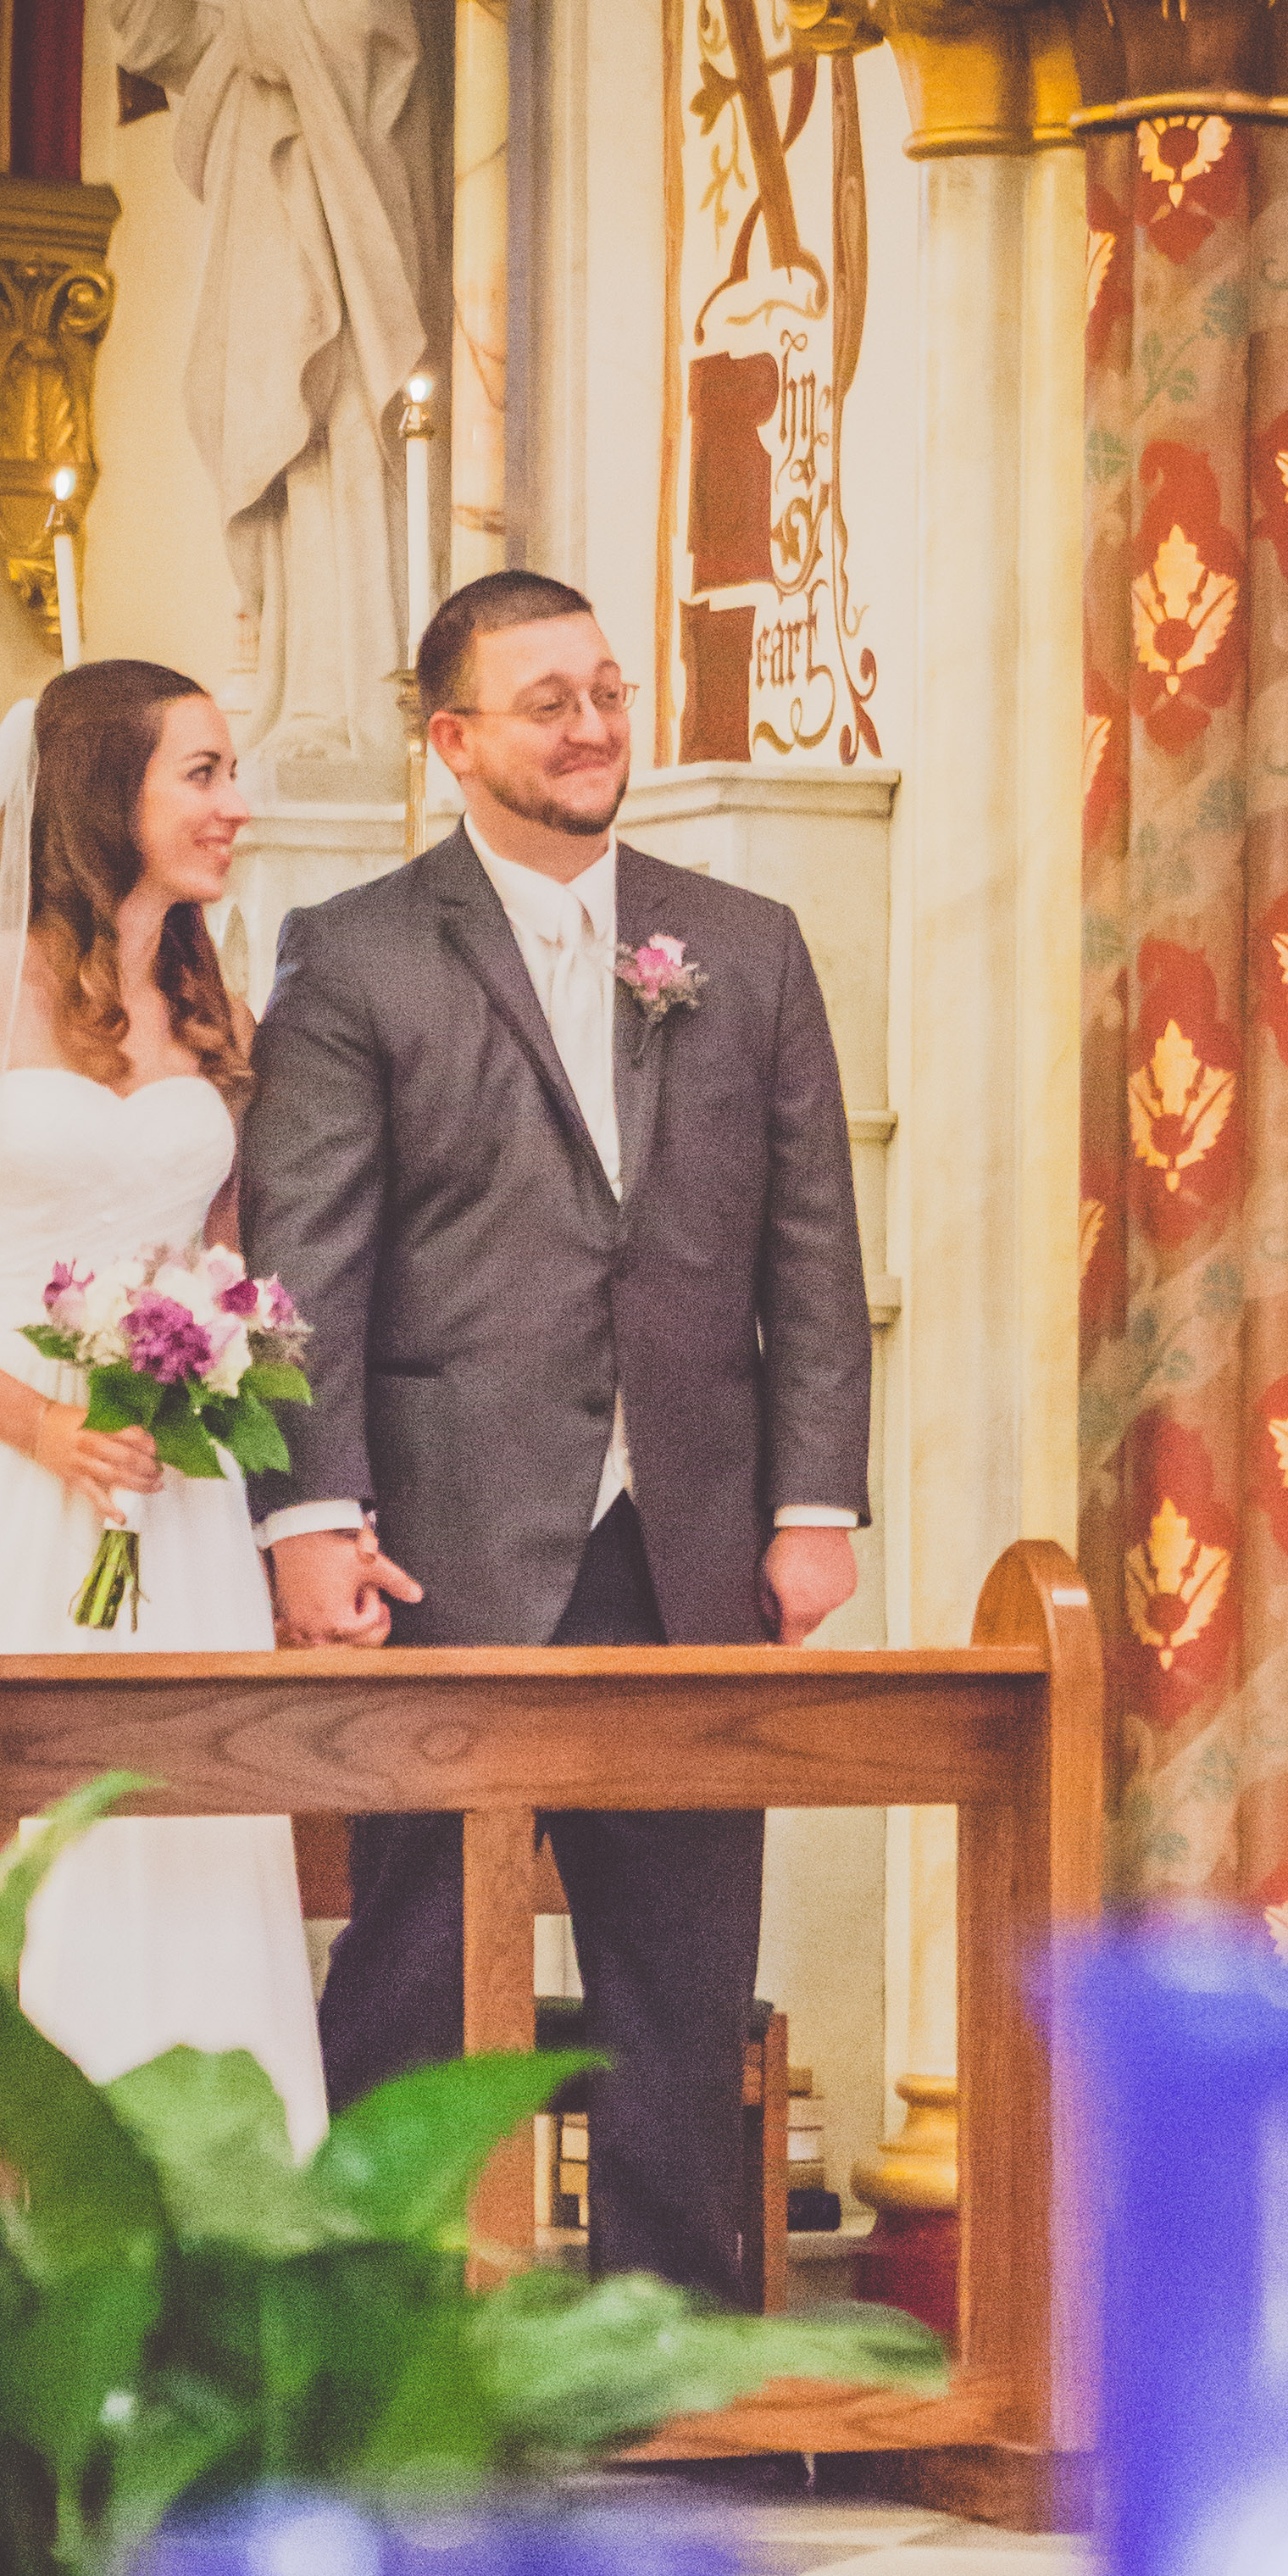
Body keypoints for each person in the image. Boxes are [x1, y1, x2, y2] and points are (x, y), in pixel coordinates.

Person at [245, 570, 872, 2301]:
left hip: (692, 1539)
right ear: (453, 741)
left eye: (606, 690)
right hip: (446, 1540)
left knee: (683, 1977)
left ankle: (663, 2355)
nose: (594, 726)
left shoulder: (745, 943)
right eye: (549, 702)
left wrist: (814, 1502)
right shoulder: (356, 951)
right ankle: (380, 2336)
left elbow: (812, 1245)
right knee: (416, 1970)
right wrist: (311, 1512)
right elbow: (304, 1262)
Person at [0, 660, 326, 2127]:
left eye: (229, 772)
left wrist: (217, 1361)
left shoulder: (209, 1009)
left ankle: (203, 2200)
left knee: (183, 1818)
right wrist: (40, 1424)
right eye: (202, 774)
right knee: (12, 1828)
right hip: (8, 1472)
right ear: (104, 794)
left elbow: (228, 1256)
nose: (235, 804)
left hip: (174, 1481)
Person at [102, 0, 437, 793]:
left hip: (333, 195)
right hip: (263, 190)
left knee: (332, 419)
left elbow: (377, 31)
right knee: (271, 437)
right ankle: (296, 695)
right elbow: (200, 53)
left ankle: (357, 700)